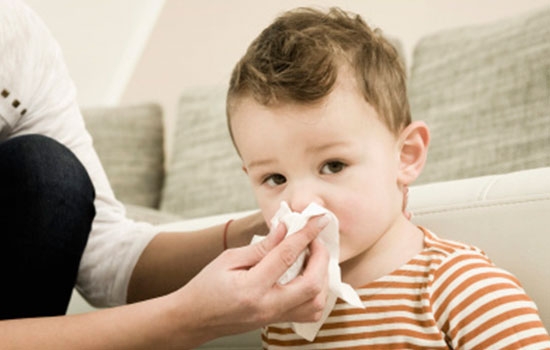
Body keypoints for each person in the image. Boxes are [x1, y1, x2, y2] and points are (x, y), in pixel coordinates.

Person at [0, 0, 332, 348]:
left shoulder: (17, 43)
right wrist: (185, 318)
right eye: (274, 177)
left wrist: (272, 228)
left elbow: (102, 254)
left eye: (335, 167)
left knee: (48, 171)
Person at [225, 7, 550, 349]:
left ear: (406, 155)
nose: (301, 202)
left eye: (333, 165)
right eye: (275, 178)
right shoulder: (283, 310)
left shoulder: (461, 286)